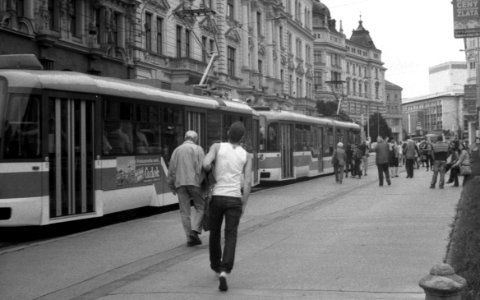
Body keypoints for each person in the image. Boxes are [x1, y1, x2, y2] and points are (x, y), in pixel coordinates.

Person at [202, 121, 253, 292]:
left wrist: (211, 166)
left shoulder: (217, 147)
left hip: (217, 197)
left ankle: (216, 266)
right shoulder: (246, 155)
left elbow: (205, 164)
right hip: (234, 199)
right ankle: (225, 270)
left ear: (228, 132)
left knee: (215, 233)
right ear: (242, 137)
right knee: (231, 235)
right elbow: (247, 182)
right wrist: (244, 203)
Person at [167, 130, 205, 247]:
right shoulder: (198, 149)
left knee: (184, 212)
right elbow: (203, 168)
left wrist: (171, 185)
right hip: (195, 183)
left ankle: (189, 238)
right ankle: (195, 230)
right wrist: (205, 186)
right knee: (200, 207)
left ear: (185, 138)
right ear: (195, 139)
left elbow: (171, 170)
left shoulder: (176, 150)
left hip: (180, 184)